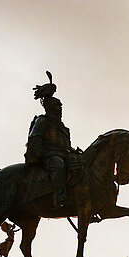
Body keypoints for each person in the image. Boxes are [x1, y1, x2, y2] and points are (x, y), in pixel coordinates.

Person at [24, 71, 80, 209]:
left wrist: (74, 152)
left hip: (63, 154)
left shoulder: (63, 128)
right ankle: (59, 197)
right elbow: (34, 138)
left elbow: (66, 145)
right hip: (49, 155)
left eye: (60, 107)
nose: (59, 109)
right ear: (50, 108)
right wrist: (41, 154)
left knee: (79, 164)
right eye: (57, 107)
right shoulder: (42, 121)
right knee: (59, 165)